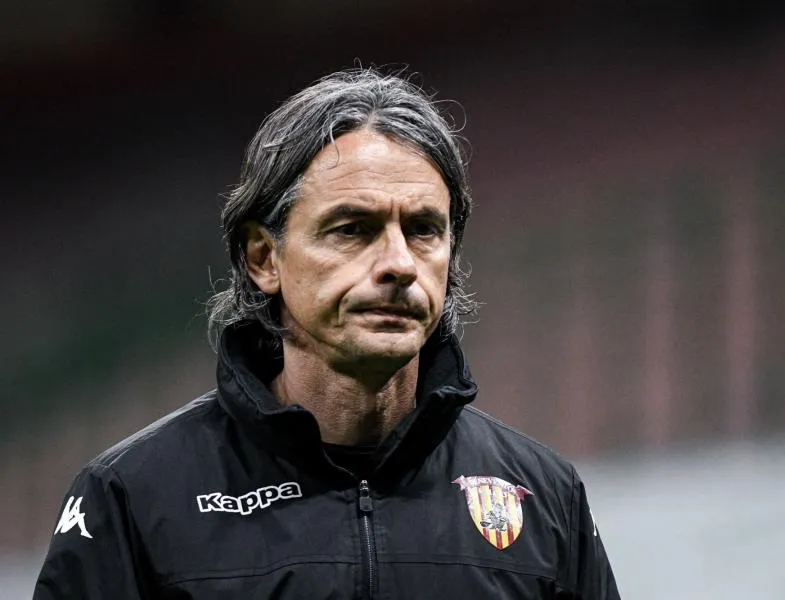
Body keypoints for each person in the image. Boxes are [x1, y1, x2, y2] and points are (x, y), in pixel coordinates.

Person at [33, 68, 620, 599]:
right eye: (353, 229)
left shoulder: (544, 495)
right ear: (265, 258)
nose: (399, 263)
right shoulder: (132, 497)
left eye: (423, 230)